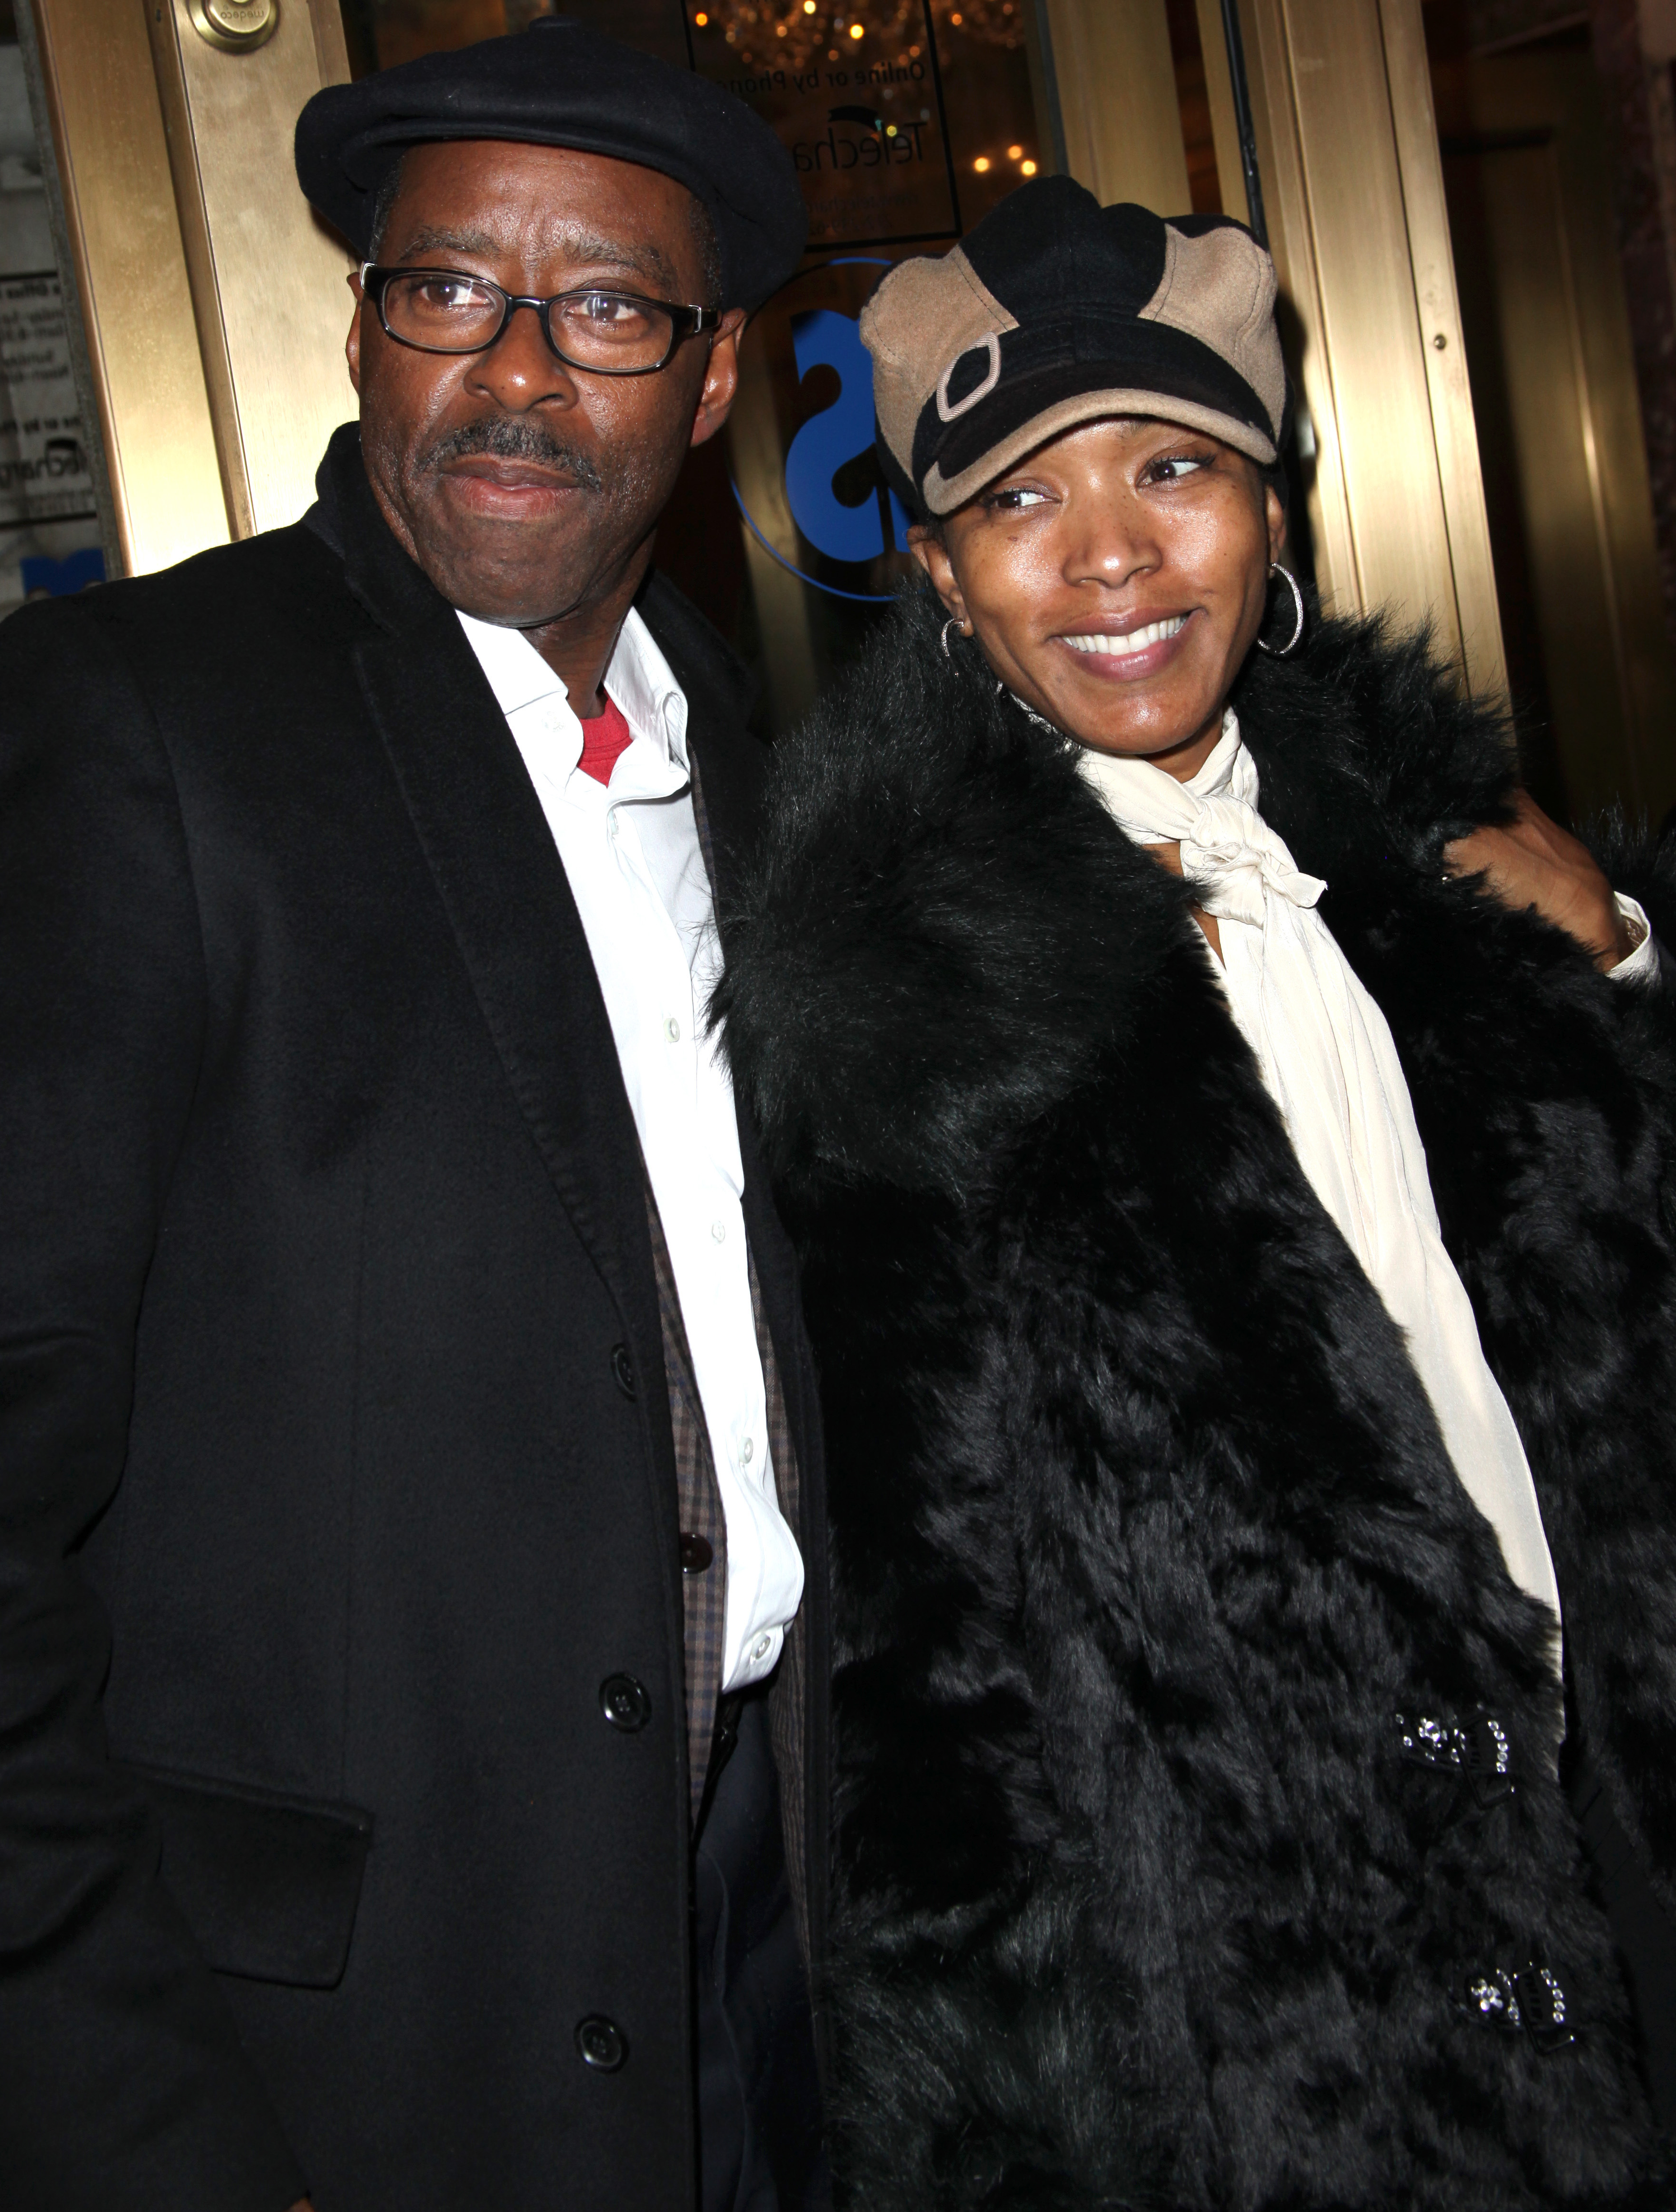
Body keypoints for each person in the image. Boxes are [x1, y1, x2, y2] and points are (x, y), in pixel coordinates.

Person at [715, 176, 1676, 2206]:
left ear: (1272, 511)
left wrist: (1624, 963)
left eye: (1173, 465)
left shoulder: (1428, 863)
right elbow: (933, 1718)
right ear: (943, 578)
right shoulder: (898, 1014)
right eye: (1020, 501)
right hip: (1295, 2052)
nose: (1115, 556)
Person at [0, 22, 831, 2212]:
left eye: (611, 308)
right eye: (449, 289)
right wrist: (137, 2134)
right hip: (340, 2054)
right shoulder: (133, 728)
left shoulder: (761, 764)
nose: (517, 373)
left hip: (769, 1949)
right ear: (360, 326)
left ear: (713, 382)